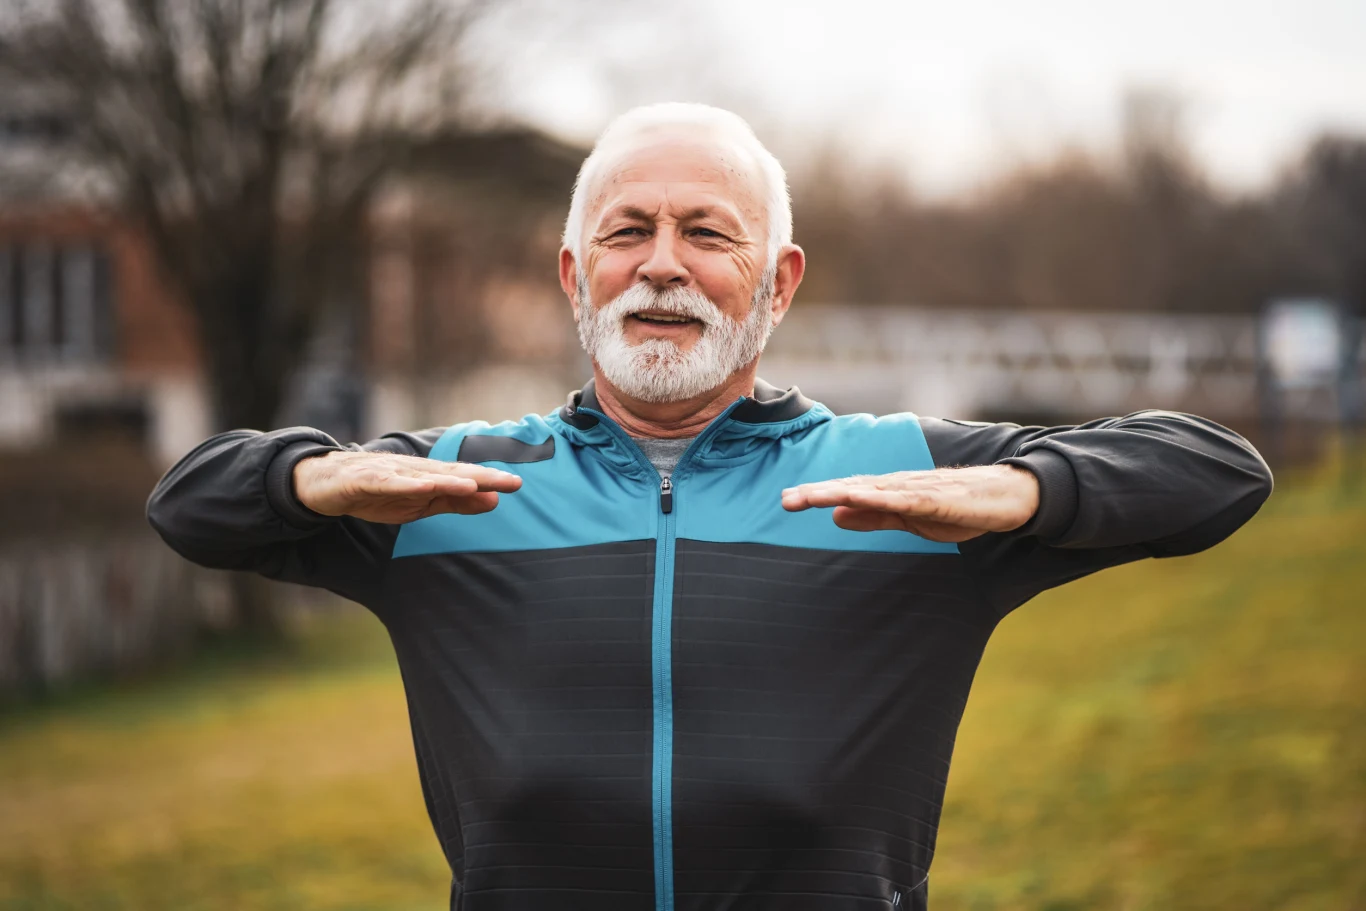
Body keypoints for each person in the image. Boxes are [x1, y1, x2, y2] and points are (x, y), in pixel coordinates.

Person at [147, 103, 1273, 911]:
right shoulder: (446, 483)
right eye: (626, 231)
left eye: (706, 231)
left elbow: (1218, 474)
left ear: (777, 282)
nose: (661, 266)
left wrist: (1027, 488)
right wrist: (307, 474)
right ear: (572, 275)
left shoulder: (901, 475)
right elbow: (187, 504)